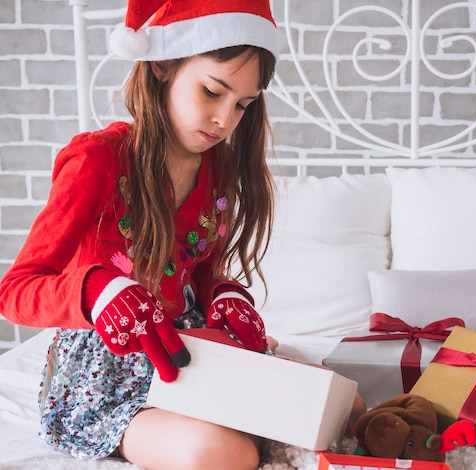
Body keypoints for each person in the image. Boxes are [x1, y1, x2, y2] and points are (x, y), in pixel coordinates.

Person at [0, 1, 365, 469]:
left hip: (191, 347)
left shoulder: (219, 169)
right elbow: (16, 291)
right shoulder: (98, 160)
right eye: (213, 92)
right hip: (108, 368)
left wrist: (224, 295)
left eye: (242, 105)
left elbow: (198, 266)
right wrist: (95, 291)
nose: (225, 120)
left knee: (341, 410)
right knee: (223, 454)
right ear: (164, 65)